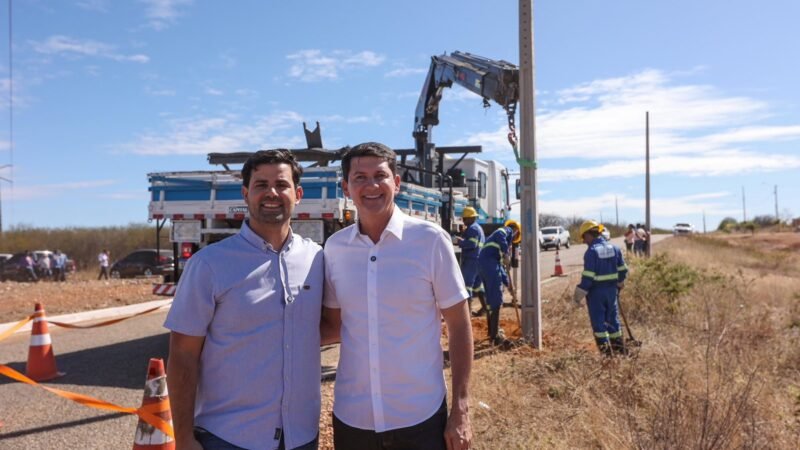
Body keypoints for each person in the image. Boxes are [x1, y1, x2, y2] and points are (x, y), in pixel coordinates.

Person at [165, 149, 323, 450]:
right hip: (228, 437)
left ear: (298, 194)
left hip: (301, 436)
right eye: (261, 185)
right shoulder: (209, 264)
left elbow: (329, 325)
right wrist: (183, 437)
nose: (271, 193)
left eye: (281, 184)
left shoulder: (317, 259)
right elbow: (183, 355)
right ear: (245, 194)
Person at [320, 142, 473, 450]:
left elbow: (459, 326)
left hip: (420, 418)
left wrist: (461, 410)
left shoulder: (430, 241)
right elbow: (333, 327)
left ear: (397, 183)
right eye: (360, 177)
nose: (371, 185)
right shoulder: (334, 249)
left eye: (380, 175)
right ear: (346, 188)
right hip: (354, 419)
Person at [572, 220, 628, 357]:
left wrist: (578, 296)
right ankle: (620, 351)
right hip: (611, 292)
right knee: (613, 321)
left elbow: (588, 278)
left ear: (588, 234)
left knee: (599, 324)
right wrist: (619, 282)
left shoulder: (591, 252)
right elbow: (623, 269)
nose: (584, 241)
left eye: (584, 237)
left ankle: (606, 355)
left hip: (596, 293)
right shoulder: (615, 248)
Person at [477, 219, 521, 346]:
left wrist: (509, 285)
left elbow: (501, 269)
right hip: (490, 265)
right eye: (515, 238)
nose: (513, 241)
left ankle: (492, 333)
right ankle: (495, 336)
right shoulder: (507, 230)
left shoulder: (495, 250)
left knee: (491, 301)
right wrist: (506, 253)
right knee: (496, 299)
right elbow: (500, 233)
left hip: (485, 265)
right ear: (516, 231)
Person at [456, 206, 487, 317]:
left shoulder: (473, 229)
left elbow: (472, 244)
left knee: (467, 286)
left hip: (471, 260)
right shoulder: (477, 228)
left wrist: (460, 242)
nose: (463, 221)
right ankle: (485, 308)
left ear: (471, 218)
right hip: (478, 260)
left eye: (465, 218)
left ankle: (467, 313)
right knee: (478, 286)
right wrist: (464, 234)